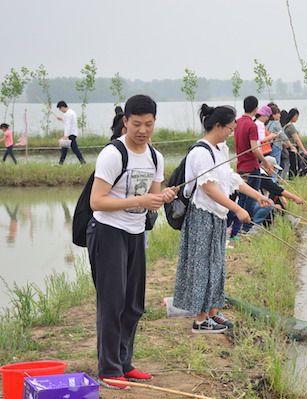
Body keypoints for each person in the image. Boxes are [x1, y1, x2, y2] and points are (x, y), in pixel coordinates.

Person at [87, 95, 177, 389]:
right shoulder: (113, 154)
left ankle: (125, 363)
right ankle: (108, 369)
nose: (142, 130)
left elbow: (152, 198)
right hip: (108, 232)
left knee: (133, 304)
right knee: (112, 303)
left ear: (154, 122)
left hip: (136, 233)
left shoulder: (155, 157)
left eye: (148, 124)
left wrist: (162, 198)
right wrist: (139, 199)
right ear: (125, 122)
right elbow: (96, 202)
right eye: (136, 123)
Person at [173, 104, 272, 334]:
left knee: (216, 265)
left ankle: (212, 312)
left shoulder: (220, 150)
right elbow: (208, 188)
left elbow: (231, 179)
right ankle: (200, 320)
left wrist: (258, 196)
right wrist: (237, 209)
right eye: (229, 128)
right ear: (217, 125)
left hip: (217, 215)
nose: (231, 132)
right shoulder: (200, 152)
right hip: (202, 216)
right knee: (202, 266)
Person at [234, 96, 274, 232]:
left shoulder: (237, 122)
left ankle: (236, 229)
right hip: (251, 168)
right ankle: (245, 229)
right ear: (256, 109)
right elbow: (255, 149)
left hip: (240, 167)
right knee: (251, 199)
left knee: (242, 199)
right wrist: (265, 163)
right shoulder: (252, 125)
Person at [283, 108, 307, 177]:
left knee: (291, 167)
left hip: (287, 149)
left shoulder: (285, 125)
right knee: (293, 167)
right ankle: (293, 180)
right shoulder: (290, 126)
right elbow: (297, 140)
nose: (297, 118)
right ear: (294, 116)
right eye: (297, 117)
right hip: (292, 149)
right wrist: (304, 151)